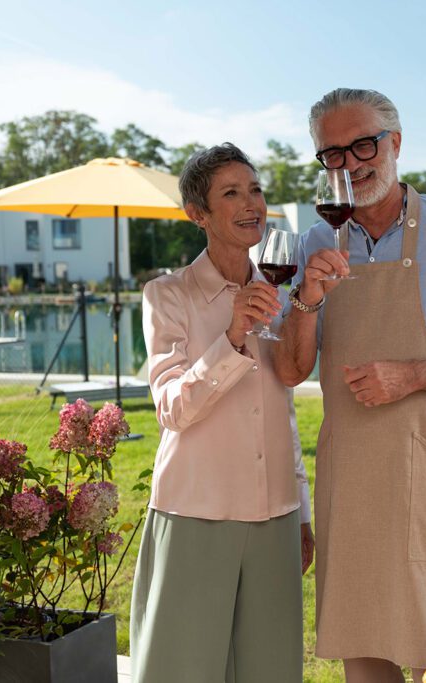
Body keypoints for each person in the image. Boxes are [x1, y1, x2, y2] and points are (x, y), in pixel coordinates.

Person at [273, 88, 426, 683]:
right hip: (351, 477)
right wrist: (306, 298)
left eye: (364, 144)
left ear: (396, 143)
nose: (351, 164)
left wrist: (410, 377)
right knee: (364, 657)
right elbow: (289, 370)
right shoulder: (315, 243)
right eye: (331, 154)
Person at [130, 143, 314, 683]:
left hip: (275, 516)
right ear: (199, 214)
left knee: (272, 673)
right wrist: (232, 338)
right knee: (180, 672)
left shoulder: (279, 292)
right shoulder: (167, 296)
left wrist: (301, 510)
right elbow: (171, 409)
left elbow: (283, 412)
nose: (250, 202)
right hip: (196, 512)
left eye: (254, 188)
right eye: (230, 192)